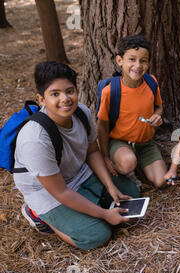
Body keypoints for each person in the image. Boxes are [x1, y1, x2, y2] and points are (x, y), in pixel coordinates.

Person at [15, 61, 140, 250]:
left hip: (78, 171)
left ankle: (93, 204)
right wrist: (105, 215)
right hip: (47, 191)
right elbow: (61, 192)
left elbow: (92, 151)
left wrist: (110, 185)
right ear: (41, 99)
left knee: (131, 194)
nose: (65, 99)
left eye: (69, 91)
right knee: (97, 235)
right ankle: (37, 214)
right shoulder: (35, 138)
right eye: (55, 94)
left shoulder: (81, 112)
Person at [97, 35, 168, 188]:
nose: (137, 65)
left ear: (148, 63)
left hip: (145, 143)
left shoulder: (151, 82)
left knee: (161, 182)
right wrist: (105, 156)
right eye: (132, 59)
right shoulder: (110, 92)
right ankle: (130, 170)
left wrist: (158, 115)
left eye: (143, 61)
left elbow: (159, 106)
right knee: (128, 162)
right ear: (119, 60)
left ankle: (140, 166)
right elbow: (102, 125)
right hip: (119, 142)